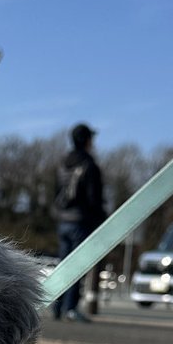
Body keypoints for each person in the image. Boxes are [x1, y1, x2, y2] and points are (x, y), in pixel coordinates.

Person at [53, 123, 106, 322]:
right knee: (77, 266)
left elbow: (55, 192)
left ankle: (57, 306)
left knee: (63, 265)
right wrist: (101, 219)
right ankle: (71, 307)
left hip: (63, 220)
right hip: (81, 220)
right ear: (86, 140)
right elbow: (94, 199)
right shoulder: (89, 165)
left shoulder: (62, 163)